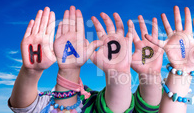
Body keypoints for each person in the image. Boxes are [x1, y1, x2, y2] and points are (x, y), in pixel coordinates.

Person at [8, 6, 163, 113]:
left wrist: (122, 74)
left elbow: (129, 108)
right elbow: (24, 107)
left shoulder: (92, 102)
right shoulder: (49, 101)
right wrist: (31, 72)